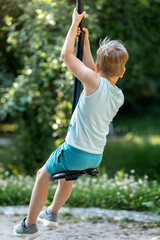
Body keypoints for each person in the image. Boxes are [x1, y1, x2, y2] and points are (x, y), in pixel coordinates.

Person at [13, 8, 129, 239]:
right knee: (68, 176)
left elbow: (66, 56)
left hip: (74, 149)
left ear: (97, 67)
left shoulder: (93, 81)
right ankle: (52, 213)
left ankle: (29, 225)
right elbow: (91, 70)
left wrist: (72, 25)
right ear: (123, 72)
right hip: (94, 155)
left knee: (42, 176)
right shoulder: (118, 95)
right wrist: (83, 40)